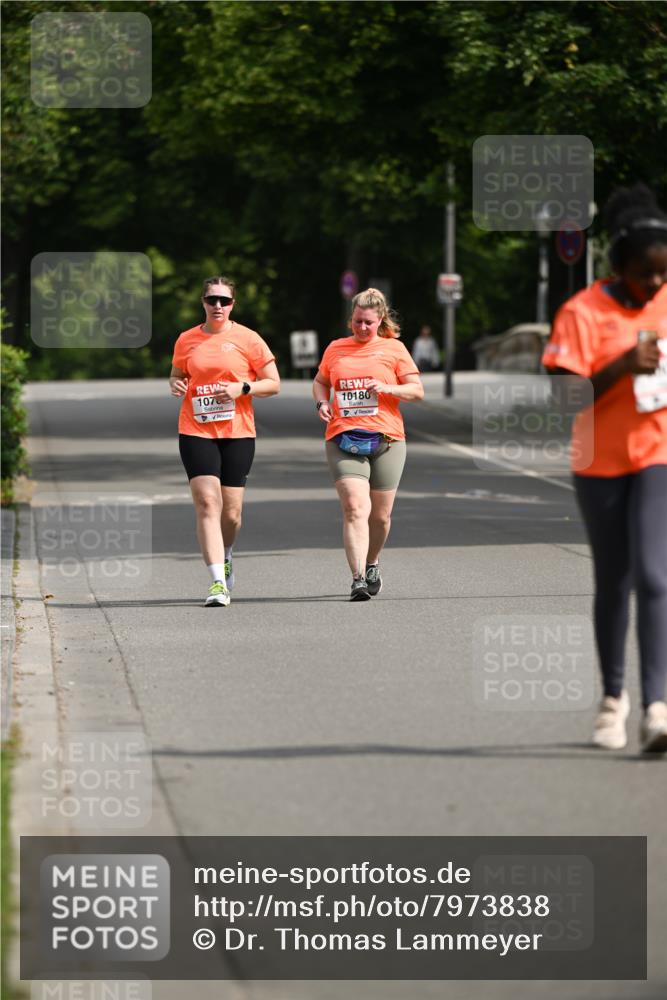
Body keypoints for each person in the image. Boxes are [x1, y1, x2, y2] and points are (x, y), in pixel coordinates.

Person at [542, 184, 667, 753]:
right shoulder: (582, 312)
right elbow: (563, 399)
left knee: (655, 575)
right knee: (614, 579)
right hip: (599, 460)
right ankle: (613, 701)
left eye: (665, 274)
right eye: (647, 274)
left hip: (659, 454)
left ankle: (657, 708)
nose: (657, 285)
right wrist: (621, 365)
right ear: (619, 266)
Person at [170, 276, 280, 606]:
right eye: (212, 299)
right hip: (196, 429)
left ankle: (227, 553)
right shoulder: (187, 339)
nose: (218, 306)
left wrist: (242, 388)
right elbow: (178, 374)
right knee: (207, 503)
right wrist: (175, 384)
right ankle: (218, 581)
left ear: (233, 304)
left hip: (237, 432)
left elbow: (273, 384)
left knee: (231, 515)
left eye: (225, 301)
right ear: (203, 302)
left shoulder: (248, 339)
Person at [313, 287, 424, 600]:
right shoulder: (336, 349)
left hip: (387, 439)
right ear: (351, 320)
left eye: (369, 323)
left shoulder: (394, 349)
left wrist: (387, 387)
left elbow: (416, 391)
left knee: (380, 516)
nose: (362, 328)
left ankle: (373, 561)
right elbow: (321, 382)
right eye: (358, 321)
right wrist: (321, 403)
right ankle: (358, 578)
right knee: (354, 507)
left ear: (380, 322)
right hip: (343, 437)